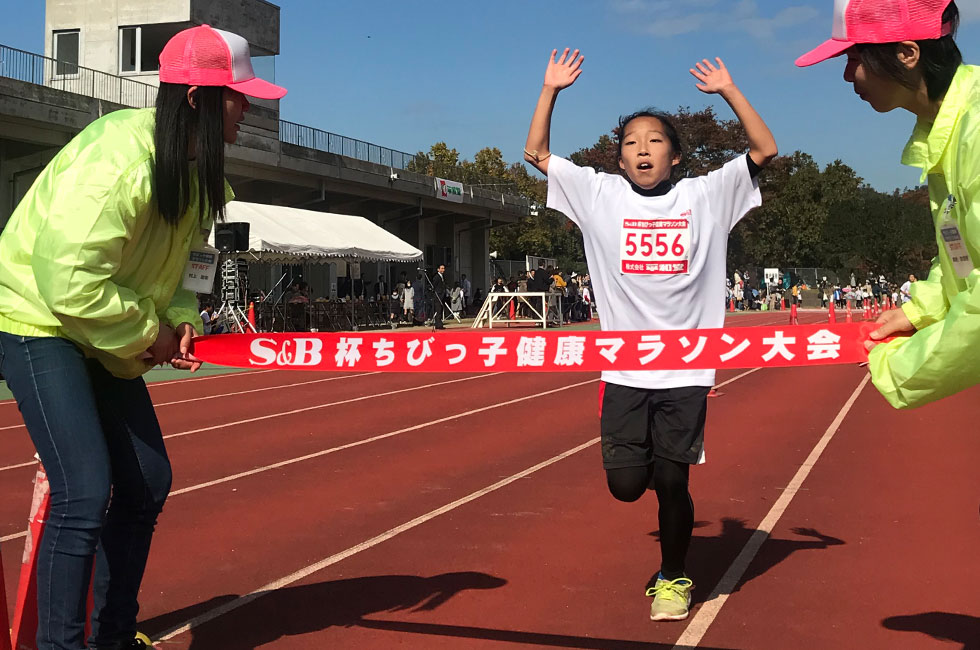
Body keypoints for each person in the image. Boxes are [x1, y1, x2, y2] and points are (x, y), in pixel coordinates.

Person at [0, 24, 285, 650]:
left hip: (105, 328)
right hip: (37, 319)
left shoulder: (200, 176)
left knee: (147, 481)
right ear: (196, 100)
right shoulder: (118, 161)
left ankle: (111, 634)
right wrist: (147, 331)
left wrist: (183, 318)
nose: (250, 110)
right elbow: (67, 282)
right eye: (240, 97)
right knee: (82, 489)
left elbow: (187, 269)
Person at [524, 48, 776, 621]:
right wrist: (551, 90)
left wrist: (731, 90)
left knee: (670, 478)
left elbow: (764, 150)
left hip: (687, 367)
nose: (641, 147)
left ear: (676, 155)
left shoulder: (705, 197)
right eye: (631, 141)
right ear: (618, 159)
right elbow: (536, 153)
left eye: (655, 140)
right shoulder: (598, 196)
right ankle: (666, 550)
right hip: (623, 368)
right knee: (624, 485)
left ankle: (673, 576)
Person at [798, 0, 979, 409]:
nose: (847, 76)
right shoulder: (945, 132)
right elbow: (963, 253)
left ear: (907, 53)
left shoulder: (975, 132)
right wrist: (921, 310)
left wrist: (895, 367)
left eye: (856, 57)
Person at [430, 264, 448, 329]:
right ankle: (438, 324)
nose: (443, 270)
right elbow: (433, 286)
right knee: (438, 310)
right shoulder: (436, 277)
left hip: (442, 295)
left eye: (444, 268)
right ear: (438, 269)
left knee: (441, 309)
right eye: (442, 268)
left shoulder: (442, 276)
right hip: (438, 295)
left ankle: (439, 323)